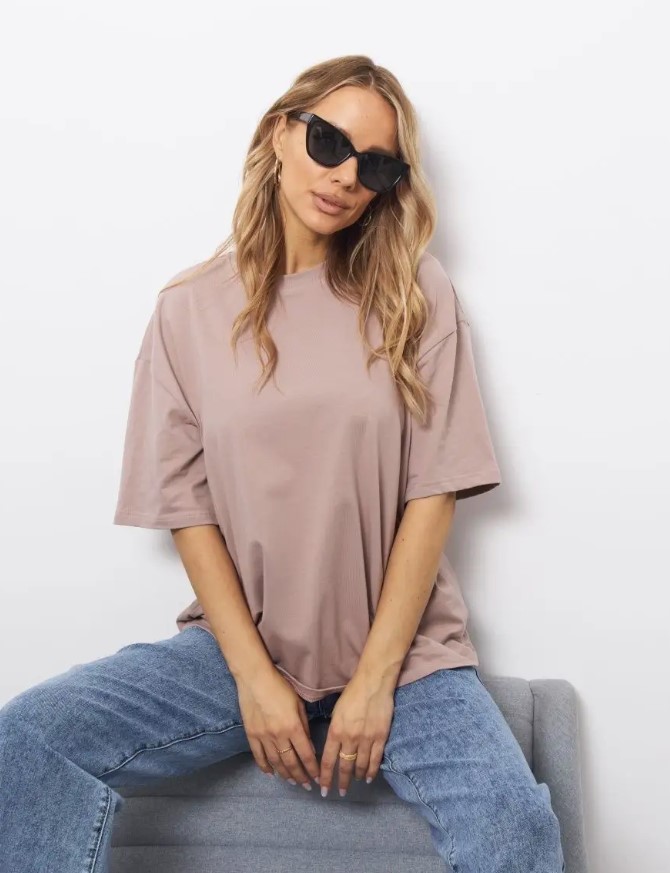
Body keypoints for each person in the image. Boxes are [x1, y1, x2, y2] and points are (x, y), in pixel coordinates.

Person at [0, 54, 565, 872]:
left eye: (375, 166)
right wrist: (255, 678)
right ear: (279, 132)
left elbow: (434, 493)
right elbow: (188, 509)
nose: (345, 176)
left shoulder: (415, 293)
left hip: (407, 658)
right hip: (240, 650)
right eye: (329, 142)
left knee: (515, 826)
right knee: (29, 736)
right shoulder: (187, 309)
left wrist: (373, 683)